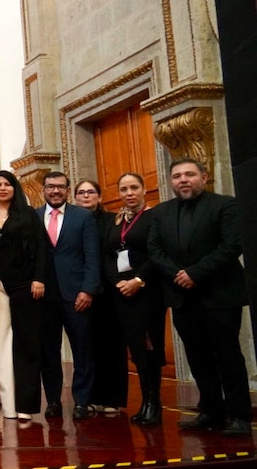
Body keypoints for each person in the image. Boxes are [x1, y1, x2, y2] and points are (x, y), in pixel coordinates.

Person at [148, 159, 250, 435]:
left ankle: (239, 415)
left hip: (219, 295)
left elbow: (232, 245)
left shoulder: (224, 205)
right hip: (182, 297)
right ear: (170, 181)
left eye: (190, 174)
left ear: (203, 177)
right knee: (198, 357)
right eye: (177, 175)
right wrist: (178, 274)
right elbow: (154, 251)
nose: (183, 180)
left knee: (228, 356)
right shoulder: (161, 212)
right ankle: (211, 410)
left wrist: (194, 273)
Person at [0, 171, 47, 421]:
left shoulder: (28, 214)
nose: (2, 188)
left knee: (27, 343)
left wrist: (39, 278)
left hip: (25, 284)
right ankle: (8, 405)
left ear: (14, 187)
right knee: (0, 343)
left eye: (7, 184)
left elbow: (41, 247)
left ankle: (26, 407)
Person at [102, 173, 165, 426]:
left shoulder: (154, 217)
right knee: (137, 348)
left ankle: (154, 401)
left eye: (134, 188)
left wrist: (138, 281)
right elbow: (108, 253)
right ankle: (145, 401)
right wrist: (116, 280)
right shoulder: (116, 220)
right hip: (123, 293)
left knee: (151, 346)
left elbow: (156, 253)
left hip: (147, 291)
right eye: (124, 189)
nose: (129, 193)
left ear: (144, 189)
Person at [37, 172, 100, 420]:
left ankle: (82, 402)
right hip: (44, 297)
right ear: (43, 189)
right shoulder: (33, 217)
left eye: (60, 187)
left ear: (67, 189)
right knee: (49, 353)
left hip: (77, 295)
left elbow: (92, 256)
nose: (55, 191)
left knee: (82, 351)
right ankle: (53, 401)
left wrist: (88, 289)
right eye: (50, 187)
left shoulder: (83, 217)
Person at [73, 179, 127, 414]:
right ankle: (91, 396)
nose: (86, 196)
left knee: (112, 345)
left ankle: (113, 398)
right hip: (81, 291)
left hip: (109, 291)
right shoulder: (71, 221)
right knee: (87, 346)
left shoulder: (112, 221)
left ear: (100, 196)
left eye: (91, 192)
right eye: (81, 192)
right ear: (75, 197)